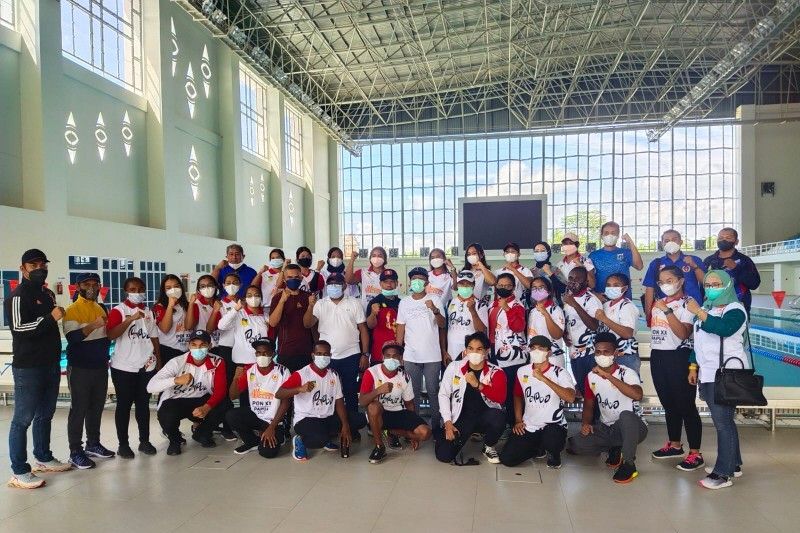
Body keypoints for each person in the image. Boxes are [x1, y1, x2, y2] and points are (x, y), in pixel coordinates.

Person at [5, 249, 71, 489]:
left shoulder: (48, 294)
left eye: (43, 265)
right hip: (29, 367)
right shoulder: (17, 296)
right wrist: (50, 318)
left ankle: (43, 457)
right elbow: (19, 329)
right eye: (33, 265)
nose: (39, 269)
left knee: (45, 415)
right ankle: (19, 471)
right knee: (22, 419)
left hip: (50, 364)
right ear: (23, 269)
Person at [687, 270, 748, 489]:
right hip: (709, 372)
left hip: (727, 373)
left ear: (728, 285)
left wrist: (698, 312)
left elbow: (724, 329)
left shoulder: (735, 309)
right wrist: (693, 366)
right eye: (708, 284)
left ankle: (723, 473)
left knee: (723, 423)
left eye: (716, 284)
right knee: (725, 421)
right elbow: (699, 341)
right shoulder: (707, 308)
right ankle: (735, 464)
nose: (711, 288)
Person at [568, 332, 648, 484]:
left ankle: (629, 464)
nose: (602, 355)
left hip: (634, 428)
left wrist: (609, 376)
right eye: (598, 352)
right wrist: (585, 424)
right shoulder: (591, 376)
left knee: (626, 416)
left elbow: (637, 395)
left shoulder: (627, 373)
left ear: (615, 353)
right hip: (607, 428)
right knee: (575, 444)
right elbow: (589, 405)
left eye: (606, 352)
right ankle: (615, 448)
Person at [649, 266, 704, 471]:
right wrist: (662, 307)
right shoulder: (658, 304)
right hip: (658, 356)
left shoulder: (688, 304)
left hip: (679, 357)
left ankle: (696, 453)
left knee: (686, 405)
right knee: (669, 404)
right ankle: (674, 445)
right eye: (661, 281)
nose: (665, 285)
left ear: (681, 281)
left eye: (669, 280)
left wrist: (667, 310)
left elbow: (683, 334)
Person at [306, 272, 369, 439]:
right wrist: (310, 306)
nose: (333, 286)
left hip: (351, 354)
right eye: (331, 283)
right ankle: (333, 426)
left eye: (337, 283)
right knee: (328, 392)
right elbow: (308, 324)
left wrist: (365, 354)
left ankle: (352, 428)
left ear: (344, 285)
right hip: (327, 358)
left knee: (350, 392)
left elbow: (363, 329)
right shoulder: (320, 303)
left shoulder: (354, 303)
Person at [147, 330, 229, 455]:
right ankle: (174, 440)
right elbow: (150, 387)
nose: (198, 349)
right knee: (166, 412)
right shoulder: (177, 362)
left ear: (210, 346)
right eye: (194, 345)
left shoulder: (217, 361)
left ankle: (202, 433)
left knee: (225, 404)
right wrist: (175, 380)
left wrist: (207, 407)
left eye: (202, 345)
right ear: (189, 346)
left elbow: (220, 390)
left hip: (201, 400)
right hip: (177, 401)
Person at [499, 336, 576, 469]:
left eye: (541, 348)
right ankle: (538, 448)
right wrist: (518, 420)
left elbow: (570, 398)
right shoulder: (522, 371)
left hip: (553, 424)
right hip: (530, 424)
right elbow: (517, 395)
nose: (536, 351)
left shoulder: (560, 372)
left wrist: (544, 379)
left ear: (549, 352)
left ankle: (553, 453)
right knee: (507, 459)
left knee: (552, 438)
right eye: (533, 348)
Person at [63, 272, 114, 470]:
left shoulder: (101, 307)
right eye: (87, 284)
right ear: (78, 287)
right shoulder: (72, 310)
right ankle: (75, 451)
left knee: (96, 407)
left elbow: (107, 336)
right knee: (79, 408)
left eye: (95, 284)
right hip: (80, 367)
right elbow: (73, 338)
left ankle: (93, 443)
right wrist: (94, 325)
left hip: (99, 366)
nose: (92, 288)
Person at [276, 340, 359, 461]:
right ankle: (300, 440)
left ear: (330, 355)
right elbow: (279, 394)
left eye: (326, 354)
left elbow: (339, 401)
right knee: (320, 439)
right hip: (305, 419)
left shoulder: (333, 375)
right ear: (313, 355)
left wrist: (345, 425)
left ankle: (325, 437)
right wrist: (299, 389)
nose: (323, 357)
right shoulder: (302, 374)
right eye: (319, 354)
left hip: (326, 417)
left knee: (359, 420)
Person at [106, 277, 160, 459]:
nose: (137, 293)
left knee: (143, 405)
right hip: (123, 368)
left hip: (146, 366)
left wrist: (159, 362)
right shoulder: (119, 311)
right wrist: (130, 320)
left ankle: (144, 441)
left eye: (140, 289)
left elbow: (154, 337)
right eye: (133, 289)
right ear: (126, 291)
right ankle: (123, 444)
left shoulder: (149, 311)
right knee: (124, 405)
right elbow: (111, 335)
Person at [436, 332, 507, 464]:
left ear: (486, 351)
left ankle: (489, 445)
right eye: (470, 348)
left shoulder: (496, 371)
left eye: (479, 349)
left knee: (499, 417)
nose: (474, 352)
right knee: (444, 455)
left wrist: (478, 385)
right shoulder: (455, 367)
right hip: (462, 417)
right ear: (466, 350)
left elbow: (500, 398)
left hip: (485, 416)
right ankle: (462, 434)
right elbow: (443, 394)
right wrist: (448, 423)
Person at [359, 341, 432, 463]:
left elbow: (409, 404)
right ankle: (379, 447)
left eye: (395, 356)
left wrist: (412, 431)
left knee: (425, 433)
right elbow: (362, 401)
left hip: (399, 412)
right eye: (388, 356)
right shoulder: (371, 372)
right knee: (373, 407)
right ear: (382, 357)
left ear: (401, 359)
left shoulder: (405, 376)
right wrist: (378, 391)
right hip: (380, 414)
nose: (391, 359)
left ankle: (391, 432)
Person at [396, 267, 446, 429]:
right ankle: (415, 426)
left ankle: (437, 425)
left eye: (420, 279)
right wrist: (398, 353)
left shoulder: (435, 299)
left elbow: (442, 325)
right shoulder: (404, 302)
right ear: (410, 282)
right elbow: (401, 328)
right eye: (414, 279)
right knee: (412, 392)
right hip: (411, 356)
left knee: (433, 391)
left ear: (426, 282)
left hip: (432, 356)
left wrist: (435, 310)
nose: (416, 281)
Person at [225, 339, 291, 457]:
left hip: (275, 420)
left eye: (265, 353)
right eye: (259, 353)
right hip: (257, 415)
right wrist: (235, 378)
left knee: (268, 453)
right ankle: (252, 442)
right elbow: (233, 396)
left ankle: (280, 436)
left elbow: (286, 403)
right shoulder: (249, 370)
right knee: (232, 415)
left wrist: (271, 428)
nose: (261, 356)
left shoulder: (283, 371)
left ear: (273, 354)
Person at [488, 272, 527, 426]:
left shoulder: (517, 305)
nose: (503, 288)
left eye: (507, 285)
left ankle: (515, 424)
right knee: (499, 389)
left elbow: (518, 327)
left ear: (513, 287)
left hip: (513, 355)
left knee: (512, 391)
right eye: (500, 285)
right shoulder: (492, 304)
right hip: (495, 352)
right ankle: (501, 424)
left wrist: (507, 310)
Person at [207, 272, 242, 440]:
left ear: (240, 285)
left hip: (242, 349)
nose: (232, 285)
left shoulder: (245, 302)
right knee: (225, 388)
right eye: (228, 282)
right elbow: (216, 327)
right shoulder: (220, 304)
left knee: (241, 387)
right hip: (226, 348)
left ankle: (242, 423)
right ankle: (226, 426)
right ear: (223, 285)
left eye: (235, 282)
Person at [643, 229, 706, 321]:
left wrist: (695, 266)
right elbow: (649, 289)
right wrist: (648, 313)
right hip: (666, 309)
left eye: (674, 239)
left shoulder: (694, 260)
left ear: (681, 242)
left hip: (693, 308)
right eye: (667, 241)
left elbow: (705, 283)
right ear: (662, 244)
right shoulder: (656, 264)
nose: (670, 243)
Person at [562, 266, 602, 395]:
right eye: (570, 278)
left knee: (594, 391)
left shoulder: (591, 300)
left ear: (586, 282)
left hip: (590, 352)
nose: (573, 281)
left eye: (577, 279)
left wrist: (574, 304)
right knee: (583, 390)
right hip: (574, 352)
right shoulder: (568, 298)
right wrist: (564, 334)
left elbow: (594, 326)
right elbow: (568, 320)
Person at [703, 228, 761, 314]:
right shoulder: (709, 260)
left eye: (728, 238)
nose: (723, 240)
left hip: (737, 308)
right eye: (720, 238)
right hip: (711, 309)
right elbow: (703, 285)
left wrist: (736, 268)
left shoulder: (744, 260)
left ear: (736, 241)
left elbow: (754, 284)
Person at [268, 264, 314, 372]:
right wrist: (282, 301)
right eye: (289, 277)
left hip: (306, 351)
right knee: (287, 381)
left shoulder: (308, 297)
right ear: (284, 279)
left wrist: (311, 306)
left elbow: (309, 324)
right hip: (286, 352)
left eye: (296, 277)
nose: (293, 279)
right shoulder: (277, 298)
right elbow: (273, 323)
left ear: (301, 278)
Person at [595, 273, 641, 373]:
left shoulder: (627, 306)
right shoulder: (605, 305)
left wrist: (605, 319)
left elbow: (628, 333)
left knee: (627, 381)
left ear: (624, 288)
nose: (611, 288)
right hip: (608, 355)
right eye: (608, 285)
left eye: (616, 285)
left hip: (625, 355)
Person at [588, 222, 644, 298]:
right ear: (602, 236)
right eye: (606, 233)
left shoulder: (625, 253)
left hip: (623, 299)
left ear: (618, 236)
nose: (609, 235)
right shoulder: (593, 256)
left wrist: (630, 243)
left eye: (613, 233)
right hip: (601, 299)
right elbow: (589, 280)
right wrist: (595, 295)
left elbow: (639, 266)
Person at [217, 285, 269, 366]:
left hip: (261, 361)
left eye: (257, 295)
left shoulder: (266, 316)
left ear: (261, 298)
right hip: (241, 362)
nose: (253, 298)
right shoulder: (238, 314)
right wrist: (236, 309)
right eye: (249, 295)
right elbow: (221, 326)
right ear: (245, 299)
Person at [445, 270, 489, 362]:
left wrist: (473, 311)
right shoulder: (450, 303)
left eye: (468, 284)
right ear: (457, 285)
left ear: (473, 285)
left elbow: (482, 331)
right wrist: (445, 351)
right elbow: (446, 329)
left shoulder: (480, 304)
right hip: (452, 351)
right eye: (461, 284)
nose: (464, 287)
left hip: (473, 353)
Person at [526, 276, 566, 367]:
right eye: (534, 288)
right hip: (535, 357)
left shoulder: (555, 310)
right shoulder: (533, 311)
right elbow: (530, 334)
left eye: (541, 287)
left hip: (552, 358)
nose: (537, 290)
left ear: (549, 291)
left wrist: (546, 314)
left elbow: (557, 335)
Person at [365, 269, 402, 364]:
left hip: (397, 351)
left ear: (396, 283)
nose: (389, 285)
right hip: (379, 351)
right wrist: (373, 313)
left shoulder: (401, 303)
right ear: (380, 284)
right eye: (386, 282)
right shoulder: (374, 302)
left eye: (392, 281)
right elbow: (370, 326)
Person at [153, 274, 190, 364]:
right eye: (168, 288)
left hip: (187, 350)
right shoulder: (159, 307)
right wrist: (170, 306)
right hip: (168, 350)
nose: (173, 290)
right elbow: (165, 329)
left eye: (176, 286)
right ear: (164, 290)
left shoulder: (186, 305)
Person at [345, 246, 390, 312]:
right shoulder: (363, 272)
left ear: (384, 258)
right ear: (370, 258)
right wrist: (352, 260)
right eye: (374, 255)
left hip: (384, 310)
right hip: (366, 311)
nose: (376, 258)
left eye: (380, 255)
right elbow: (348, 280)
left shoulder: (389, 274)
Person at [252, 248, 287, 316]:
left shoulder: (287, 273)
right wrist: (260, 272)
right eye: (273, 258)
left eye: (278, 257)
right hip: (267, 308)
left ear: (283, 259)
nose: (275, 260)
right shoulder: (265, 273)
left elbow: (280, 286)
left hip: (284, 306)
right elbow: (253, 286)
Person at [462, 242, 496, 307]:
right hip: (466, 305)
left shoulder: (486, 271)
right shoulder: (464, 272)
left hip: (481, 306)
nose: (471, 256)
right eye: (469, 254)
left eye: (474, 253)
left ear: (481, 255)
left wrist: (482, 267)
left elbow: (493, 282)